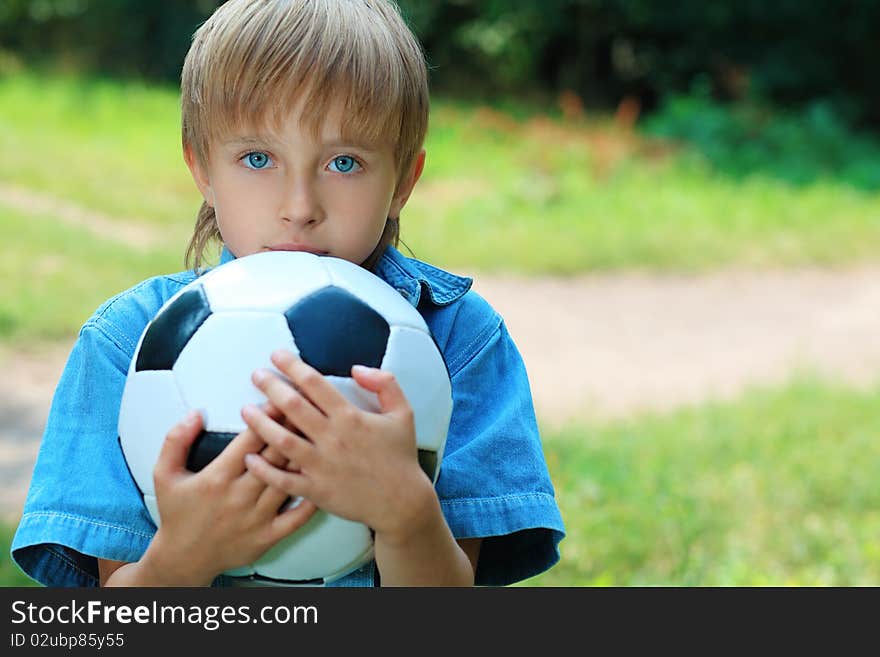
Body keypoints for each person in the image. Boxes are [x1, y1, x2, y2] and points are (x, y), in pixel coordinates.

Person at [12, 0, 565, 587]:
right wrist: (184, 557)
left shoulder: (460, 340)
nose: (299, 208)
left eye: (344, 163)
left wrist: (406, 517)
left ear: (403, 181)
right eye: (258, 158)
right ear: (202, 170)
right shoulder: (127, 343)